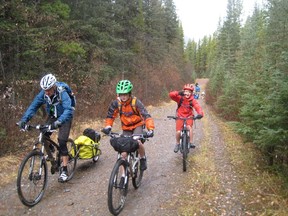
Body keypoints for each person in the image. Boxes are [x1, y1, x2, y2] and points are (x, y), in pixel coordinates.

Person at [17, 74, 74, 182]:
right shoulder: (43, 94)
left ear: (54, 87)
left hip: (65, 117)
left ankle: (64, 170)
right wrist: (24, 120)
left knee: (62, 141)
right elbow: (33, 107)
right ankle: (51, 151)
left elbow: (68, 109)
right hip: (53, 115)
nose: (46, 92)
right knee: (43, 134)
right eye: (44, 90)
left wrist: (58, 122)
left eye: (48, 90)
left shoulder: (62, 92)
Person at [102, 79, 155, 171]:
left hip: (137, 125)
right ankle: (123, 177)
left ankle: (142, 158)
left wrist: (150, 129)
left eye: (125, 94)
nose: (123, 96)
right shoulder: (116, 103)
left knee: (137, 141)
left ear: (129, 93)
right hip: (126, 127)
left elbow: (146, 115)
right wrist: (108, 126)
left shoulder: (135, 102)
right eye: (121, 94)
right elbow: (110, 116)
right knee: (123, 152)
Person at [169, 84, 204, 153]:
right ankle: (177, 144)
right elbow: (171, 95)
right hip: (180, 116)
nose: (187, 93)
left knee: (189, 128)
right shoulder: (180, 98)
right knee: (178, 131)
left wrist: (200, 114)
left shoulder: (192, 100)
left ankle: (191, 143)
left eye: (189, 92)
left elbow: (197, 107)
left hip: (189, 117)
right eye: (186, 91)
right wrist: (178, 93)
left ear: (191, 93)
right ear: (183, 92)